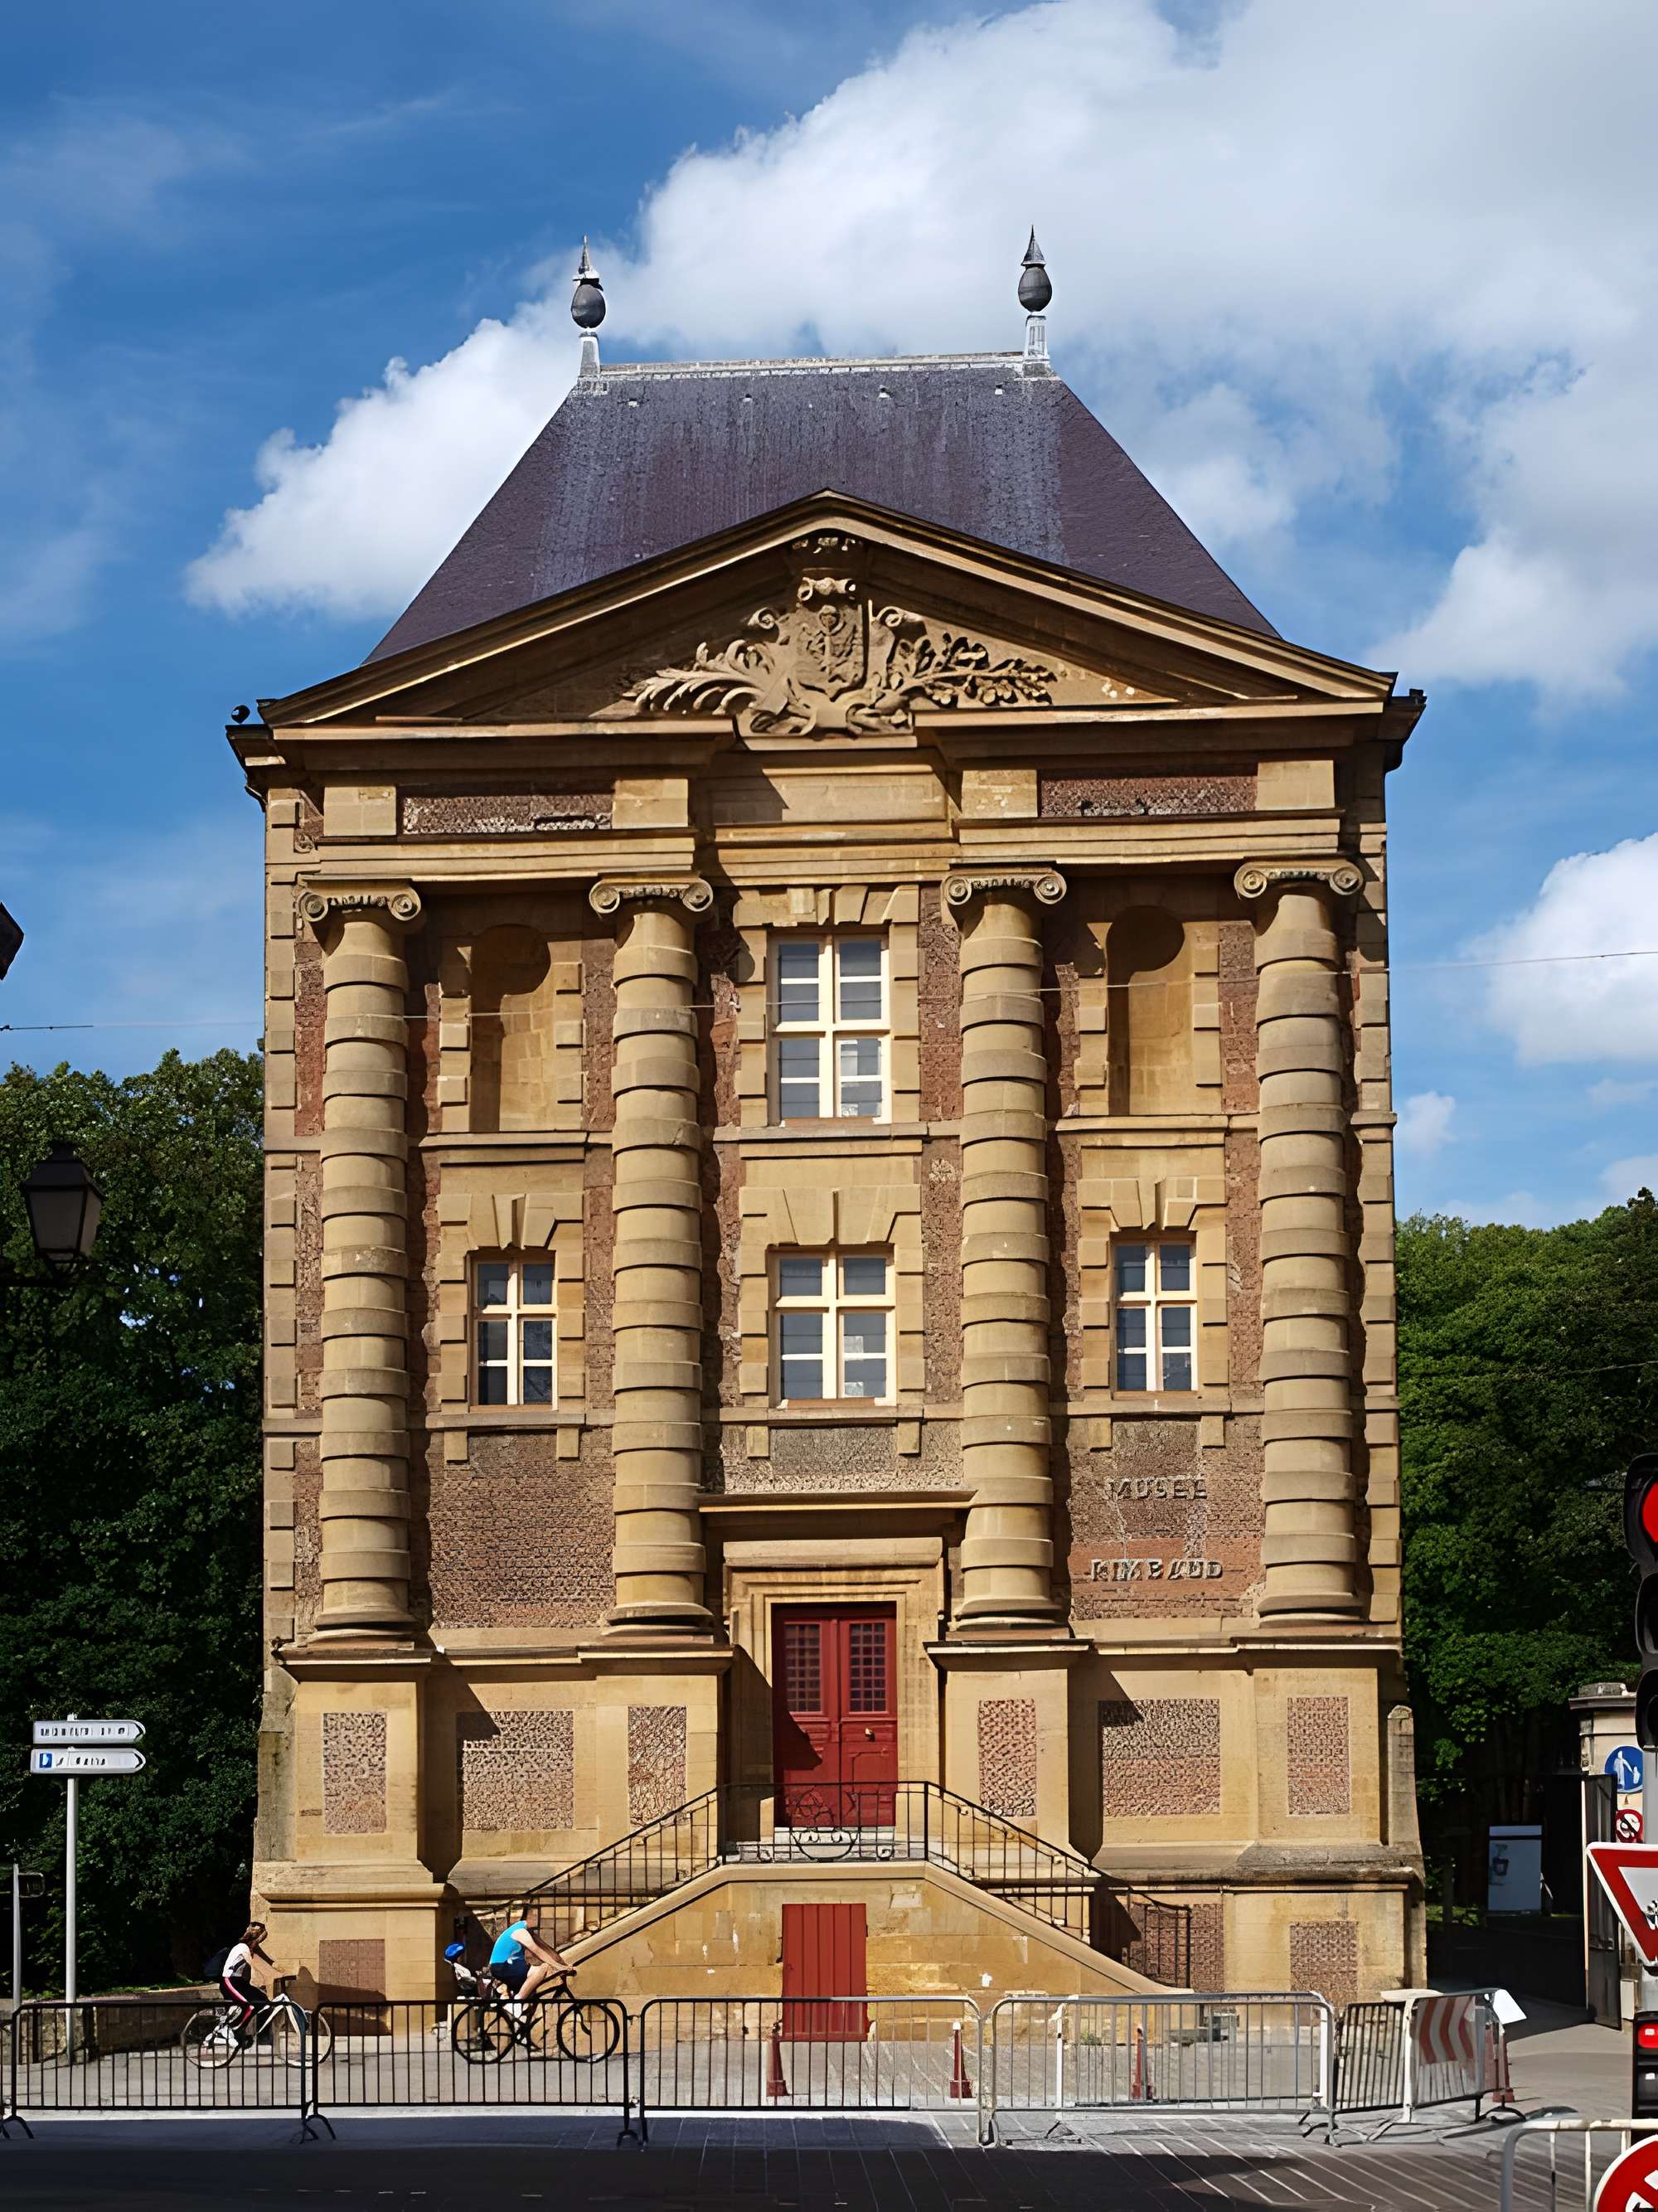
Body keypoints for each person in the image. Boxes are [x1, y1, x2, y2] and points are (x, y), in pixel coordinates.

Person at [487, 1914, 570, 2016]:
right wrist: (559, 1967)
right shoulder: (520, 1932)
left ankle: (519, 2003)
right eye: (536, 1919)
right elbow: (538, 1951)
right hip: (501, 1966)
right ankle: (517, 2002)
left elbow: (547, 1949)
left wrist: (563, 1964)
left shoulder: (529, 1931)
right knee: (543, 1967)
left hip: (507, 1966)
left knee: (537, 1972)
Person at [218, 1922, 276, 2044]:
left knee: (263, 2001)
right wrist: (271, 1974)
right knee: (248, 2006)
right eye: (258, 1941)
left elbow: (265, 1960)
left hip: (239, 1981)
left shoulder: (249, 1949)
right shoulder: (242, 1948)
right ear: (253, 1940)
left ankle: (241, 2030)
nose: (258, 1944)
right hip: (229, 1981)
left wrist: (275, 1968)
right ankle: (231, 2029)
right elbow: (256, 1965)